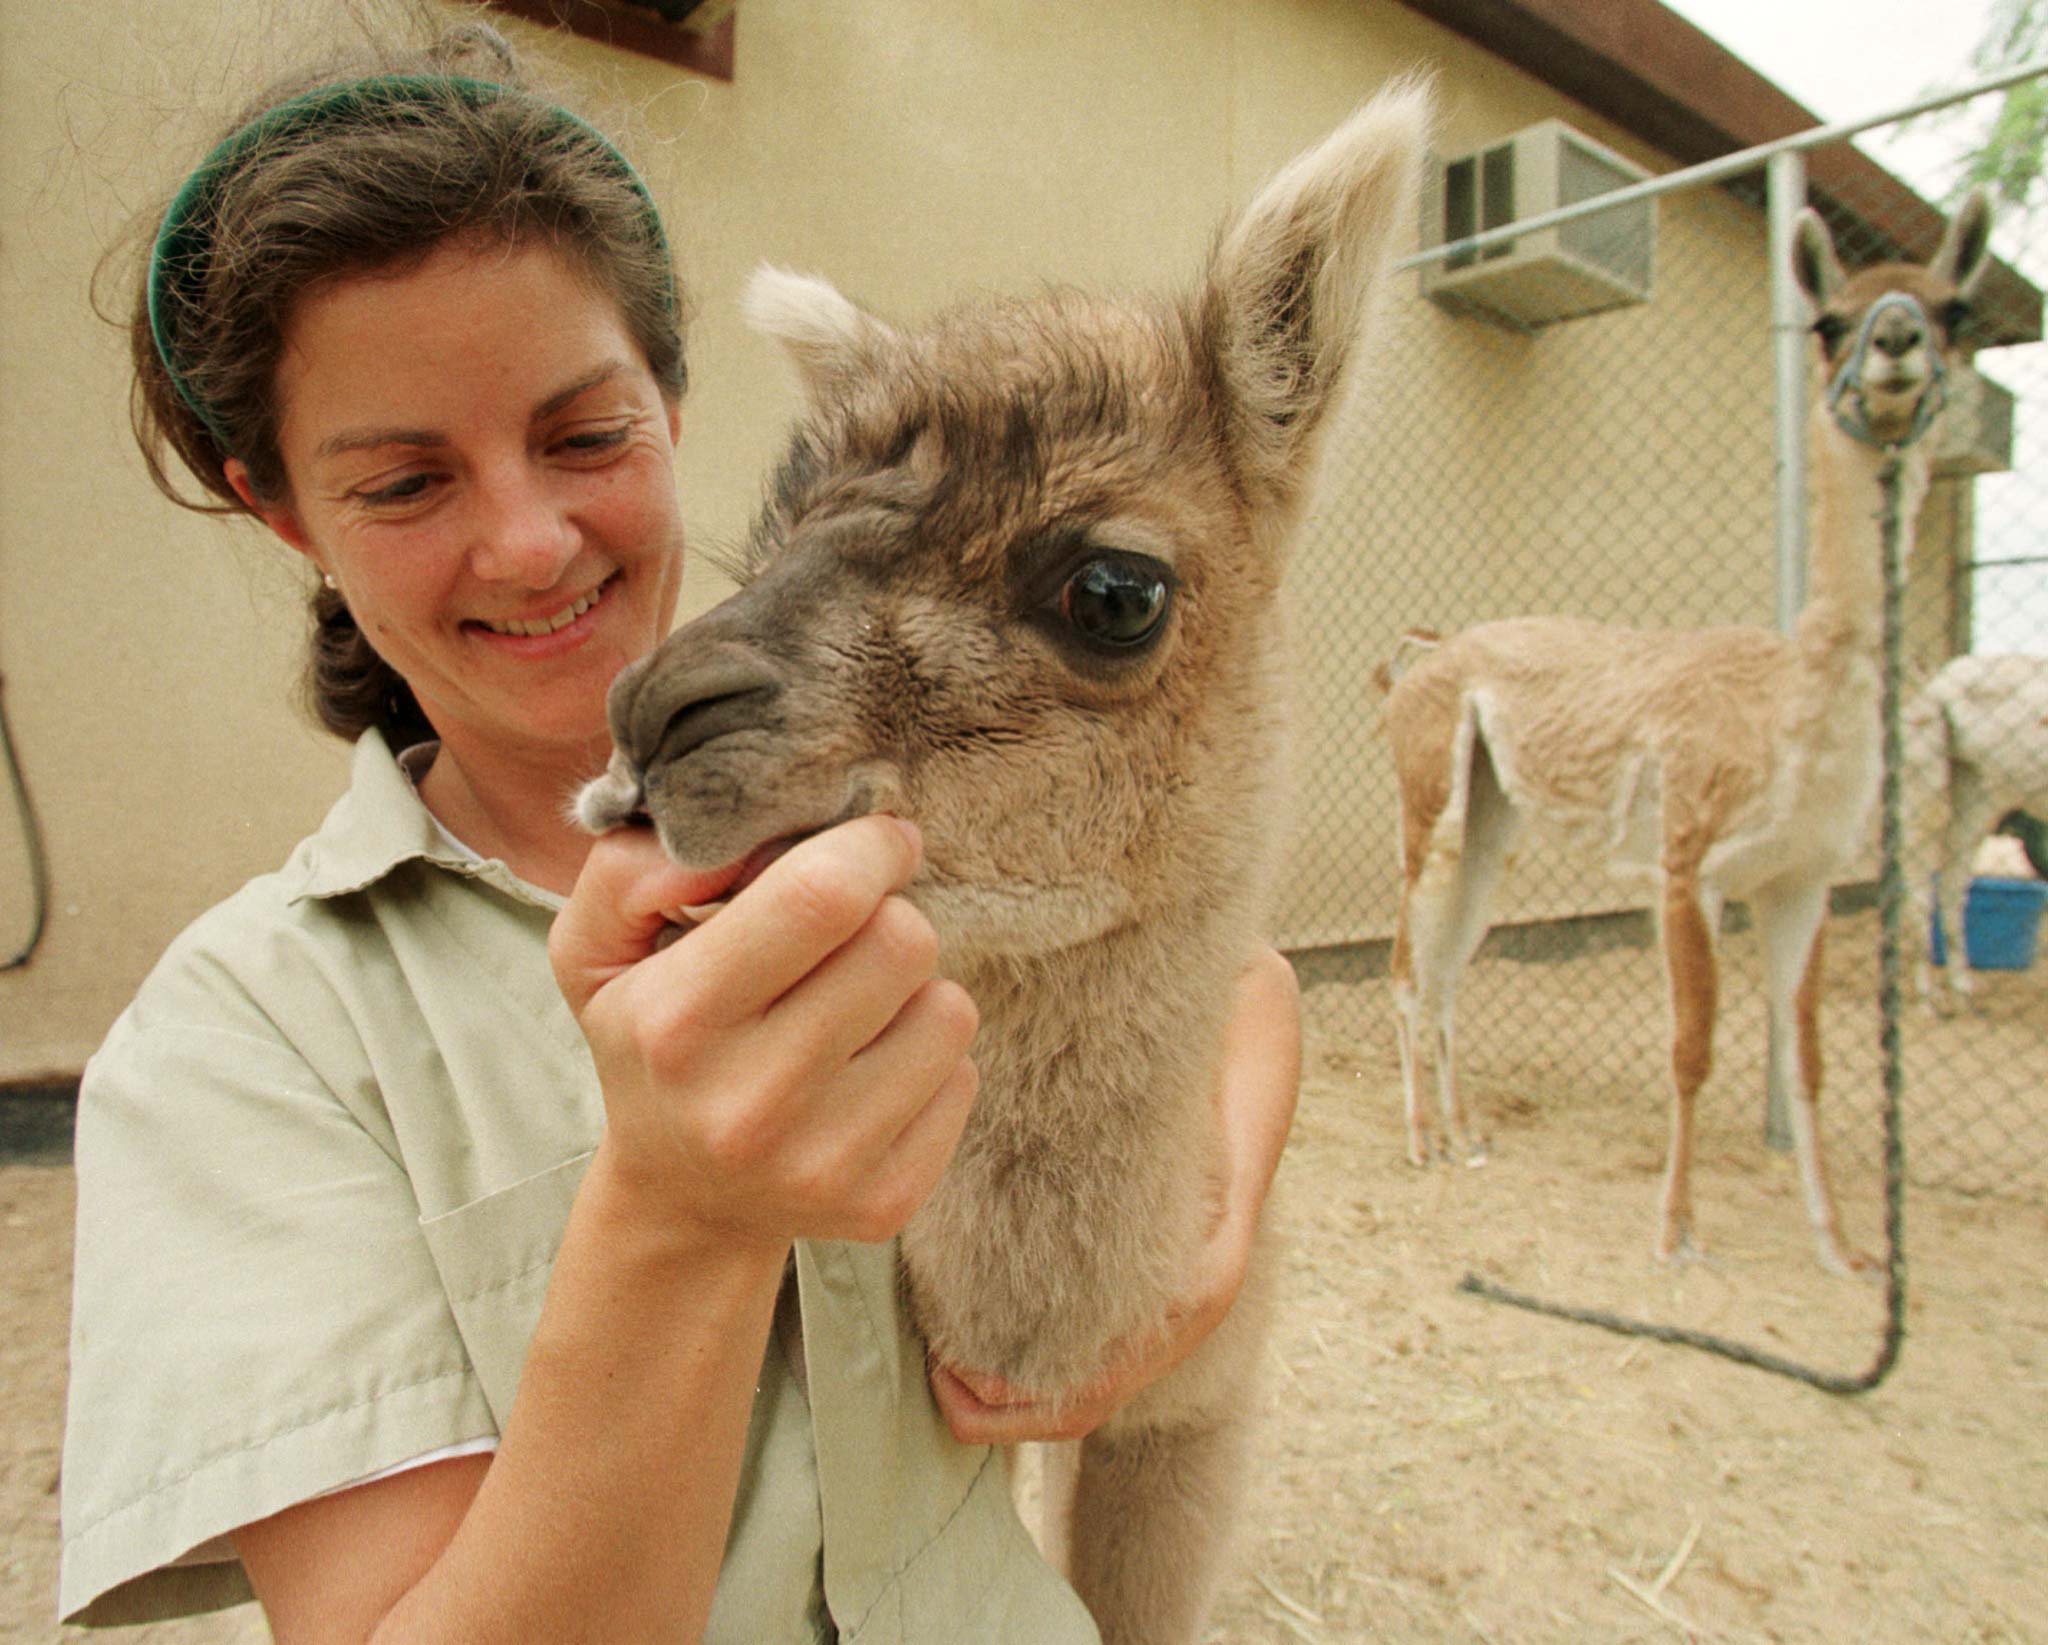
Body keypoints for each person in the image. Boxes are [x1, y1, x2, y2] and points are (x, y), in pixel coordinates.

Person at [59, 21, 1302, 1642]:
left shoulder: (912, 823)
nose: (528, 543)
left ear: (670, 405)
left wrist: (1230, 1182)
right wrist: (678, 1214)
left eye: (584, 437)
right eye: (407, 483)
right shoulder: (241, 1052)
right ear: (285, 510)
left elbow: (1213, 958)